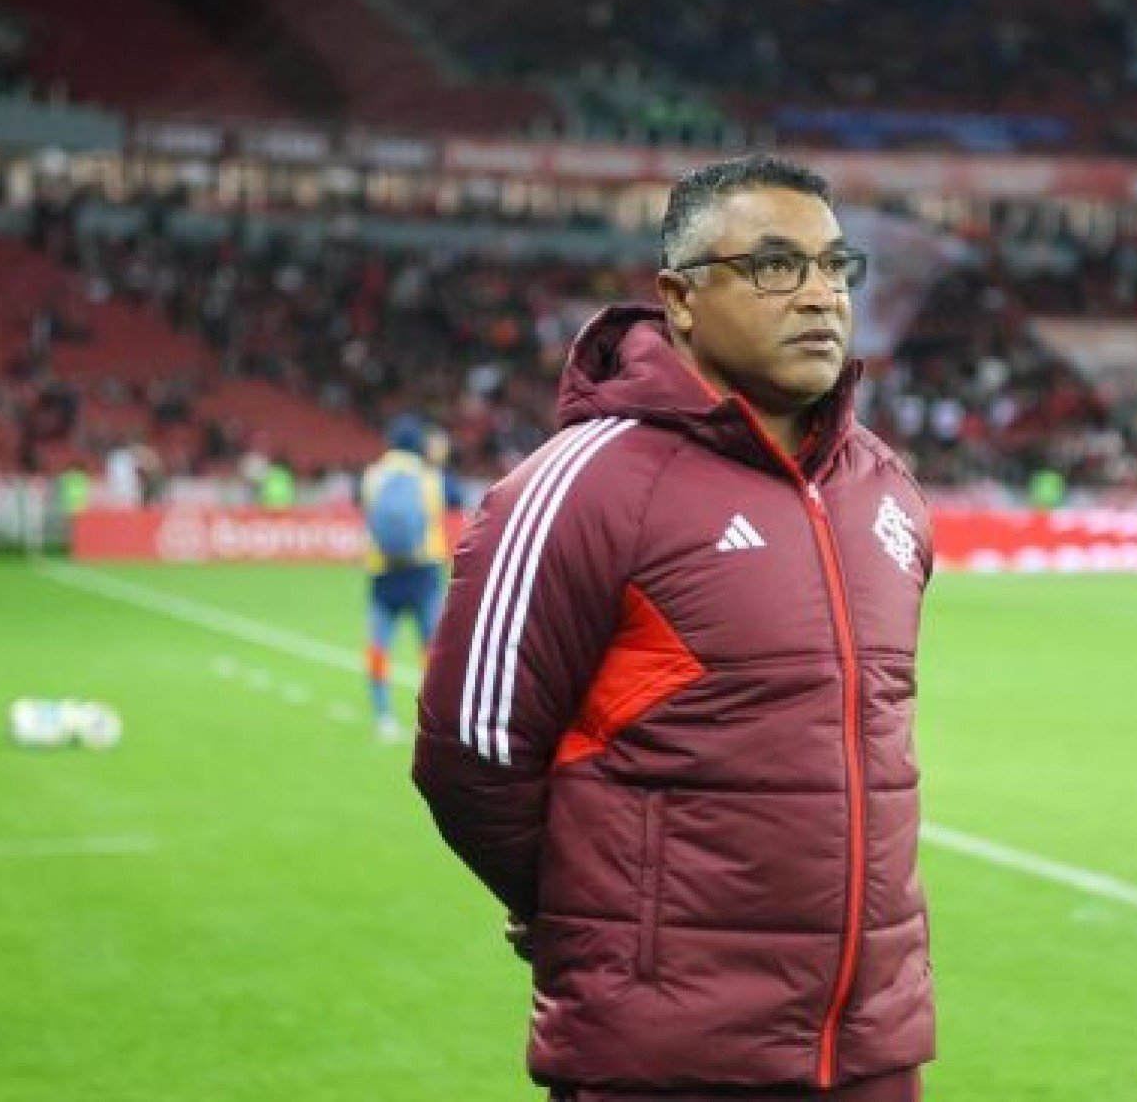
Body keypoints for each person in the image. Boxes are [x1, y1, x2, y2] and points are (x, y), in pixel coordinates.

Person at [412, 155, 935, 1100]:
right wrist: (593, 910)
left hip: (870, 1052)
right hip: (668, 1059)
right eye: (776, 266)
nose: (819, 295)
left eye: (834, 266)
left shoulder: (885, 490)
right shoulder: (583, 484)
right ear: (678, 297)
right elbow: (473, 752)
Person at [361, 414, 453, 741]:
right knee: (431, 649)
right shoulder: (428, 476)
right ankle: (432, 719)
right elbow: (444, 507)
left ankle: (383, 715)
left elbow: (368, 514)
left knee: (378, 645)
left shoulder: (373, 475)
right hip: (423, 570)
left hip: (383, 572)